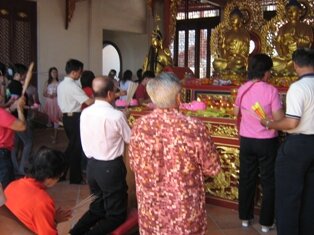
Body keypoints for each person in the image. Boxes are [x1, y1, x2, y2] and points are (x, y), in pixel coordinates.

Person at [128, 72, 220, 235]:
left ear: (153, 99)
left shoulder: (139, 126)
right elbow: (212, 168)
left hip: (152, 209)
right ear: (178, 98)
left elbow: (135, 165)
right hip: (184, 210)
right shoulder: (193, 127)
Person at [261, 48, 314, 235]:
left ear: (295, 65)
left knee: (288, 196)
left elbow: (291, 122)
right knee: (310, 196)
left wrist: (270, 123)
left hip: (298, 146)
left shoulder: (298, 88)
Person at [70, 76, 130, 235]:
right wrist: (127, 117)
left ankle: (74, 232)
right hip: (110, 167)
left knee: (98, 207)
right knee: (116, 215)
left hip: (91, 167)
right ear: (111, 94)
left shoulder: (85, 112)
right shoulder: (116, 116)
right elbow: (129, 138)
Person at [234, 54, 284, 232]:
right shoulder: (271, 91)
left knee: (247, 178)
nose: (270, 74)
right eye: (270, 71)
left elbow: (235, 112)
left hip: (247, 141)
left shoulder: (243, 88)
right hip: (267, 141)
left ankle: (245, 218)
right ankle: (266, 222)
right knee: (268, 180)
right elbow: (279, 119)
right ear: (265, 72)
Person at [5, 146, 72, 235]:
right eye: (59, 177)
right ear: (49, 177)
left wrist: (52, 219)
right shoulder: (42, 201)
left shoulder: (12, 185)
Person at [57, 59, 94, 184]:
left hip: (67, 118)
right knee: (76, 148)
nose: (80, 75)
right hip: (74, 118)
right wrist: (101, 97)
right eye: (79, 72)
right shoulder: (72, 86)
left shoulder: (61, 84)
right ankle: (75, 178)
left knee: (72, 147)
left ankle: (59, 172)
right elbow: (88, 102)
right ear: (73, 72)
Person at [272, 0, 313, 76]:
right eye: (288, 11)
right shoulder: (283, 28)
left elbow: (310, 42)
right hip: (286, 57)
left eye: (293, 11)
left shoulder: (306, 27)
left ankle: (291, 67)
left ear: (300, 12)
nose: (290, 13)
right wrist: (282, 50)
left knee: (304, 61)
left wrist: (296, 38)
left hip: (301, 57)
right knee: (273, 61)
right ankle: (290, 67)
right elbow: (278, 43)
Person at [9, 64, 33, 177]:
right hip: (17, 119)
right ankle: (21, 168)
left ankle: (16, 167)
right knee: (28, 143)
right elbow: (17, 104)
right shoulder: (16, 85)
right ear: (17, 74)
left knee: (15, 145)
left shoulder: (11, 85)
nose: (24, 77)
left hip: (13, 118)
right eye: (23, 74)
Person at [212, 7, 250, 74]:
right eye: (231, 18)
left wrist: (238, 55)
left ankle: (232, 70)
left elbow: (246, 50)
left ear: (240, 19)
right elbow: (222, 49)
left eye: (235, 18)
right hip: (228, 60)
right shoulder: (226, 33)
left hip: (239, 60)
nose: (232, 20)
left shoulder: (245, 34)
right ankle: (228, 69)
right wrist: (221, 45)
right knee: (216, 62)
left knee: (240, 63)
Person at [0, 97, 26, 188]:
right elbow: (21, 126)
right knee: (6, 188)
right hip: (2, 154)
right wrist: (20, 109)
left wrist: (12, 107)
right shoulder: (1, 113)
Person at [43, 67, 62, 143]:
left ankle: (55, 136)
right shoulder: (47, 82)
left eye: (55, 72)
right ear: (50, 74)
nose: (54, 73)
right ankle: (50, 135)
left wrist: (57, 94)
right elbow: (43, 93)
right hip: (49, 102)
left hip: (57, 102)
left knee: (56, 119)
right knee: (49, 118)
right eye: (53, 72)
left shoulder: (60, 83)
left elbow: (62, 93)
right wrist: (48, 95)